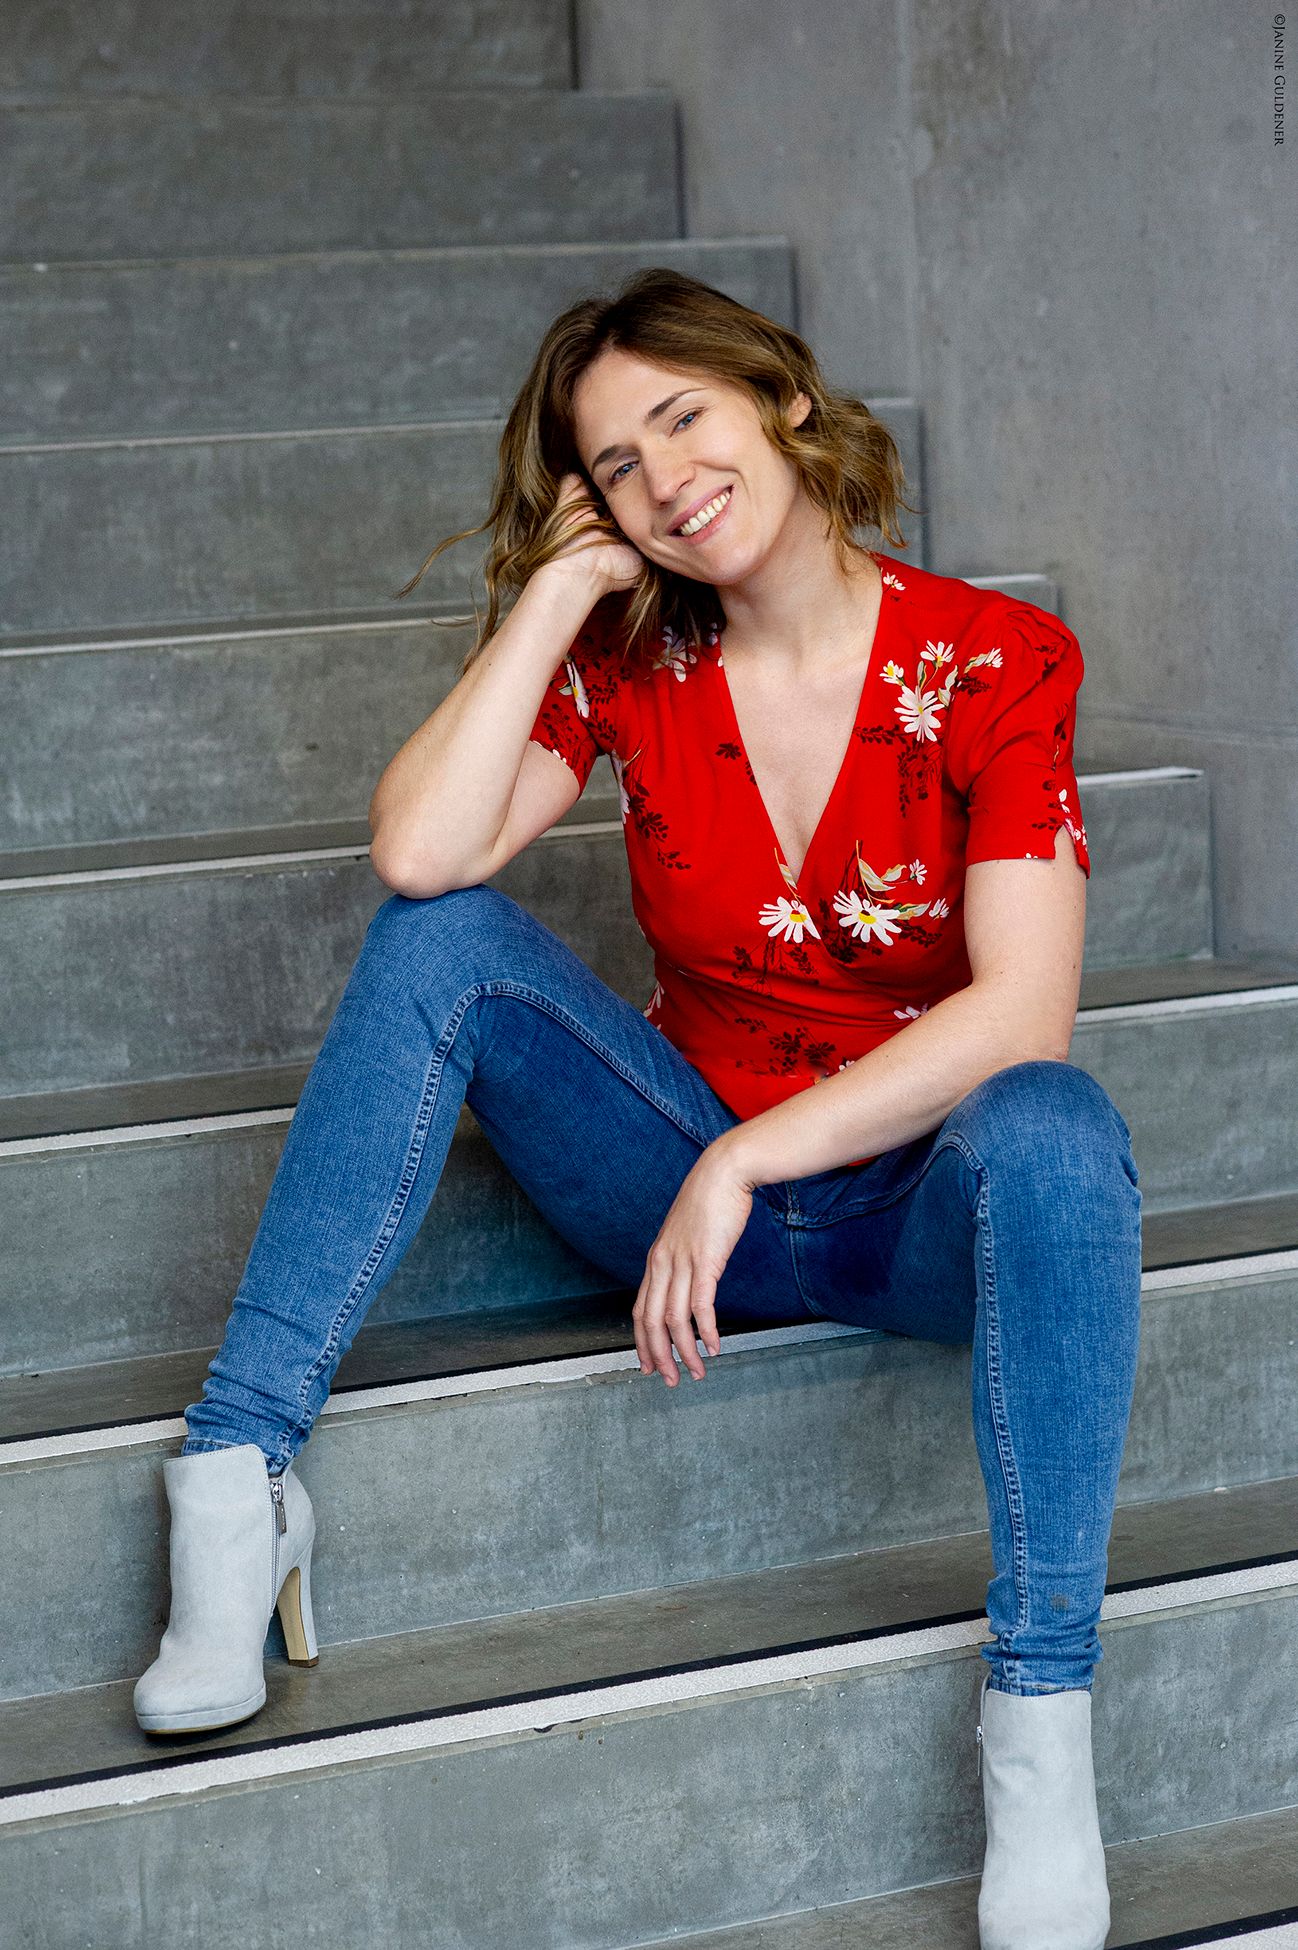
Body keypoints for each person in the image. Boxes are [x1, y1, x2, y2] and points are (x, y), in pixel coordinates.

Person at [134, 267, 1140, 1950]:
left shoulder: (993, 659)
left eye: (683, 416)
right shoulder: (634, 660)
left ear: (783, 399)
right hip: (669, 1192)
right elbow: (420, 852)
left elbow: (1020, 1008)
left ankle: (1039, 1717)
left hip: (901, 1210)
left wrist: (748, 1155)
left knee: (1054, 1122)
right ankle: (237, 1479)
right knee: (438, 940)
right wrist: (556, 595)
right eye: (615, 463)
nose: (663, 477)